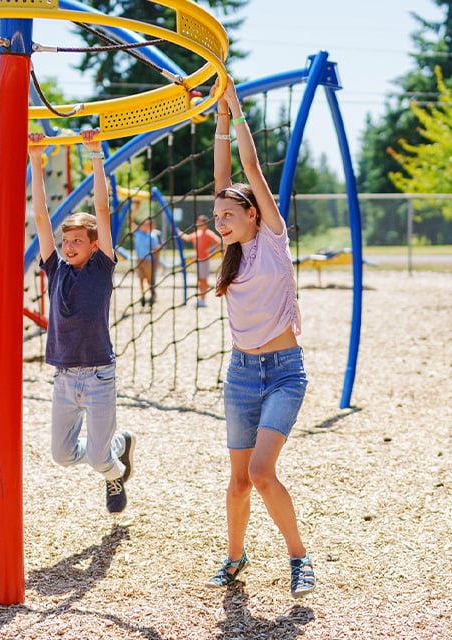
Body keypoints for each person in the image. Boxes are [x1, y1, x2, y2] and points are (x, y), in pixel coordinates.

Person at [204, 81, 315, 599]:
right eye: (217, 216)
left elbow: (247, 174)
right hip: (242, 374)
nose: (220, 221)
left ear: (253, 214)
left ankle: (299, 556)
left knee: (262, 472)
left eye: (229, 214)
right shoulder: (232, 253)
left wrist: (236, 109)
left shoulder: (271, 240)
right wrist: (218, 122)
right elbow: (223, 178)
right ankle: (234, 556)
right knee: (238, 482)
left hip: (284, 374)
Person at [28, 129, 135, 514]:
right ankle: (117, 452)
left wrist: (95, 156)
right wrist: (36, 160)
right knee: (61, 455)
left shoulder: (101, 268)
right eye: (66, 240)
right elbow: (40, 215)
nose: (69, 245)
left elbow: (103, 212)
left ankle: (114, 466)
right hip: (63, 377)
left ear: (93, 245)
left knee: (97, 460)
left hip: (99, 375)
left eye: (78, 240)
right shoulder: (54, 269)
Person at [179, 214, 221, 308]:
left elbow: (219, 241)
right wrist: (178, 232)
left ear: (205, 223)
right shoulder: (197, 233)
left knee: (203, 280)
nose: (197, 223)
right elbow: (187, 238)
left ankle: (203, 299)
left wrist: (209, 249)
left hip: (204, 260)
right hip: (197, 260)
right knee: (200, 280)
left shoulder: (208, 233)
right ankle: (201, 298)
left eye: (200, 222)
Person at [131, 217, 160, 306]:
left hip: (148, 261)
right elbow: (130, 221)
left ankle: (153, 294)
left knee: (150, 280)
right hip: (139, 260)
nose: (144, 226)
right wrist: (135, 209)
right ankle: (142, 295)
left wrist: (157, 261)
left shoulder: (152, 236)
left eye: (146, 224)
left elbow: (156, 250)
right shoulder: (138, 233)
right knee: (141, 279)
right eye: (143, 224)